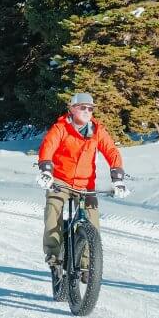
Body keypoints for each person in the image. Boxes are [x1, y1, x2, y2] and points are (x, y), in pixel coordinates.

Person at [37, 92, 126, 284]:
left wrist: (117, 178)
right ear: (72, 108)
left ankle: (86, 265)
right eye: (83, 107)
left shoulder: (97, 130)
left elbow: (111, 151)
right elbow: (48, 147)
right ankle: (54, 259)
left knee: (92, 221)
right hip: (59, 181)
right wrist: (46, 169)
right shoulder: (61, 127)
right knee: (53, 213)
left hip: (86, 184)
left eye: (90, 108)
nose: (87, 111)